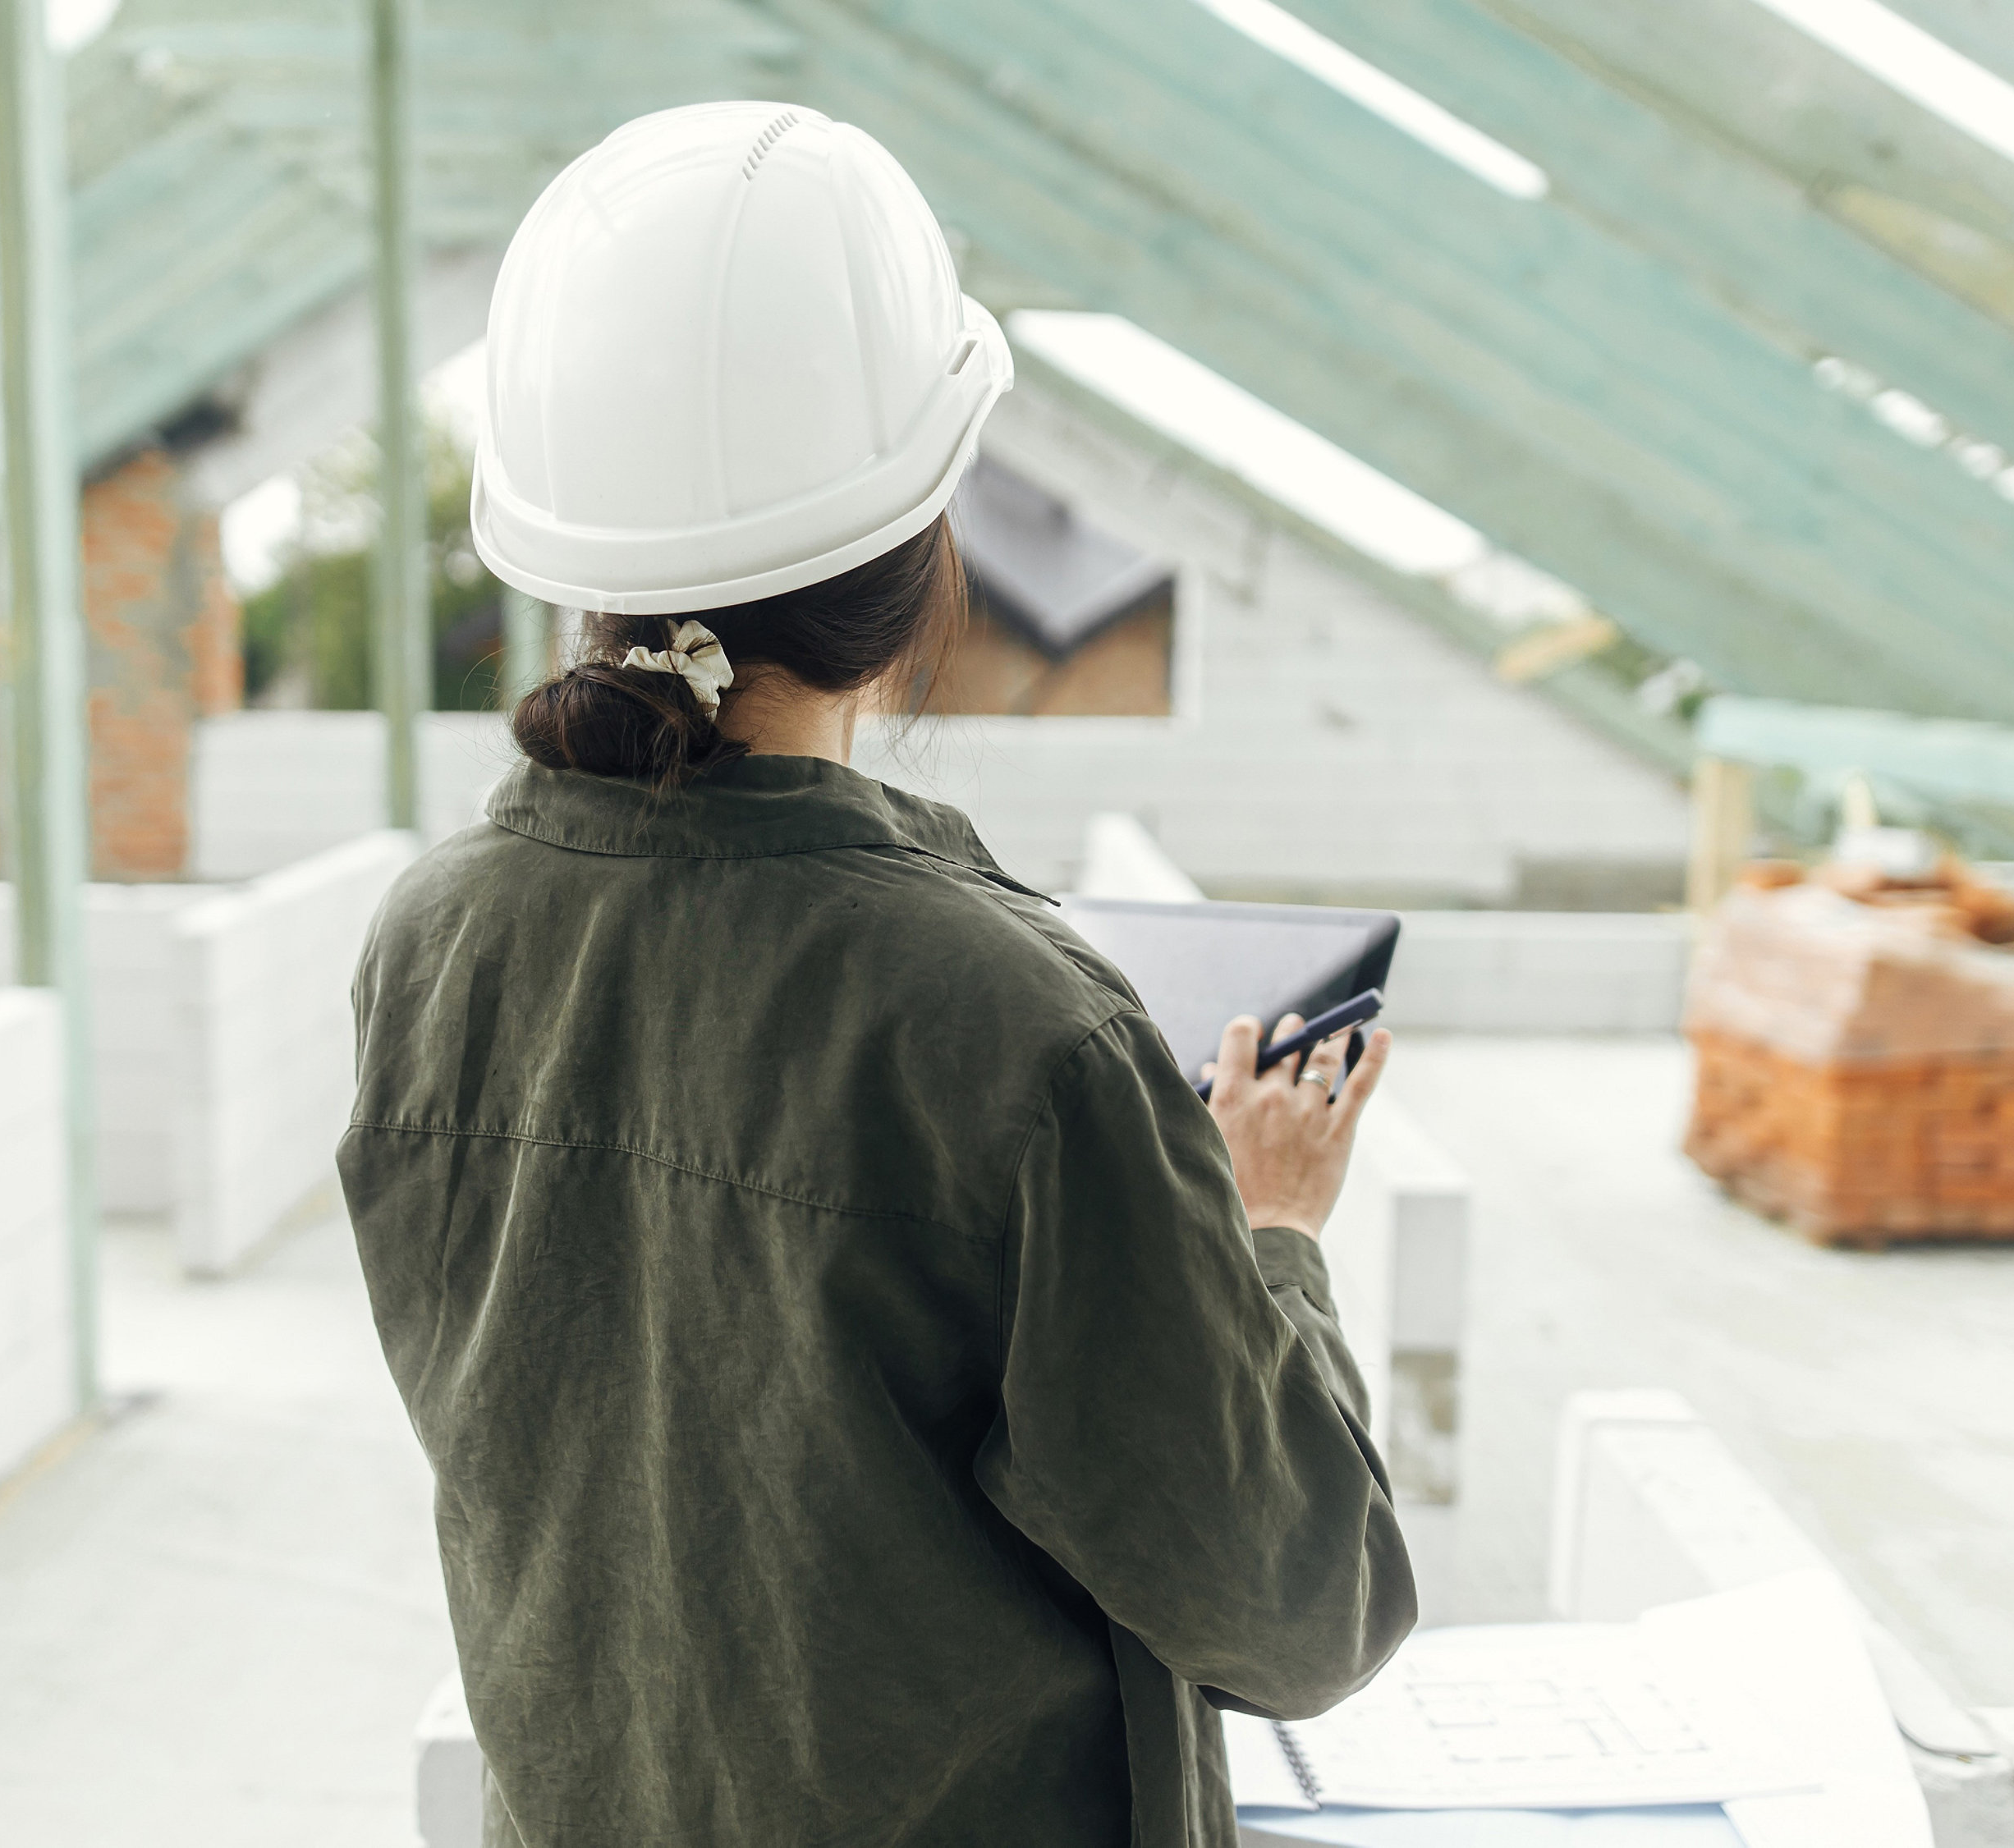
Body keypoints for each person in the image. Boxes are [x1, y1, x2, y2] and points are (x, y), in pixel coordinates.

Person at [340, 102, 1414, 1847]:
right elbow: (1297, 1607)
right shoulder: (1020, 1032)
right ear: (925, 556)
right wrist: (1266, 1240)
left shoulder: (433, 938)